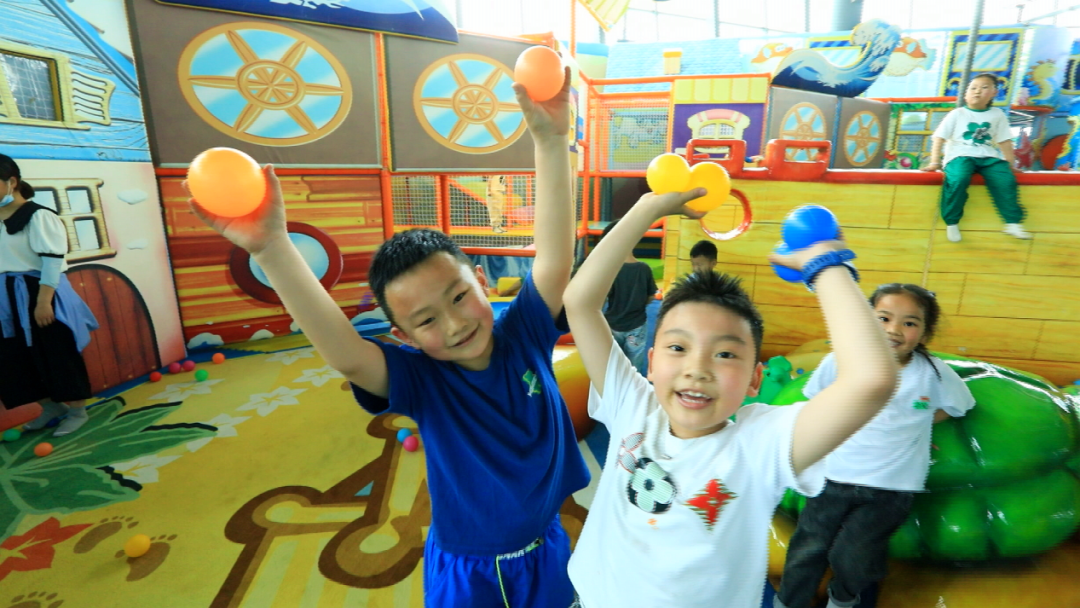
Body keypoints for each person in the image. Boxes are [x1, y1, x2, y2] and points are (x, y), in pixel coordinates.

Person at [189, 68, 588, 607]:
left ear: (482, 281)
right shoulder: (423, 380)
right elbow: (348, 357)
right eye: (426, 321)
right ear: (405, 337)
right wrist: (272, 248)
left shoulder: (524, 333)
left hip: (546, 544)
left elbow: (555, 260)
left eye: (458, 296)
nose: (454, 324)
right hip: (471, 569)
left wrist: (551, 140)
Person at [563, 191, 899, 607]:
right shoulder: (633, 406)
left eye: (725, 354)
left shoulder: (760, 444)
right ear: (650, 363)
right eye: (678, 348)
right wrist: (649, 209)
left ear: (755, 378)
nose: (697, 368)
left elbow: (871, 380)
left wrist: (825, 266)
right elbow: (580, 302)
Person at [774, 284, 975, 608]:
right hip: (830, 478)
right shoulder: (840, 362)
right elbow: (815, 402)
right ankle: (789, 602)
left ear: (925, 332)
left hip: (890, 489)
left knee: (854, 554)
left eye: (910, 322)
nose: (895, 329)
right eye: (884, 318)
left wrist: (920, 423)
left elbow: (959, 406)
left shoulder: (934, 374)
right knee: (808, 548)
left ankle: (843, 598)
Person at [0, 154, 98, 436]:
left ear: (12, 182)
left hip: (40, 289)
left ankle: (77, 411)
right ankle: (51, 408)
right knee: (13, 357)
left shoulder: (39, 216)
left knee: (57, 352)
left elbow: (53, 262)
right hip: (6, 296)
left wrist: (43, 302)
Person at [921, 73, 1031, 243]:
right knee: (959, 178)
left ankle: (1012, 222)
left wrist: (1010, 165)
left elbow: (1005, 141)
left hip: (988, 156)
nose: (977, 91)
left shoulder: (997, 114)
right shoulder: (957, 114)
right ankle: (952, 222)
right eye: (973, 88)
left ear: (994, 93)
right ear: (965, 93)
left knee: (1005, 179)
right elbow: (939, 138)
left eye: (984, 87)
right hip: (959, 155)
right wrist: (935, 162)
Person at [599, 220, 657, 375]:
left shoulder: (609, 270)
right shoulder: (643, 268)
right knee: (634, 367)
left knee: (611, 365)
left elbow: (601, 300)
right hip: (636, 326)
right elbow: (651, 297)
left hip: (613, 325)